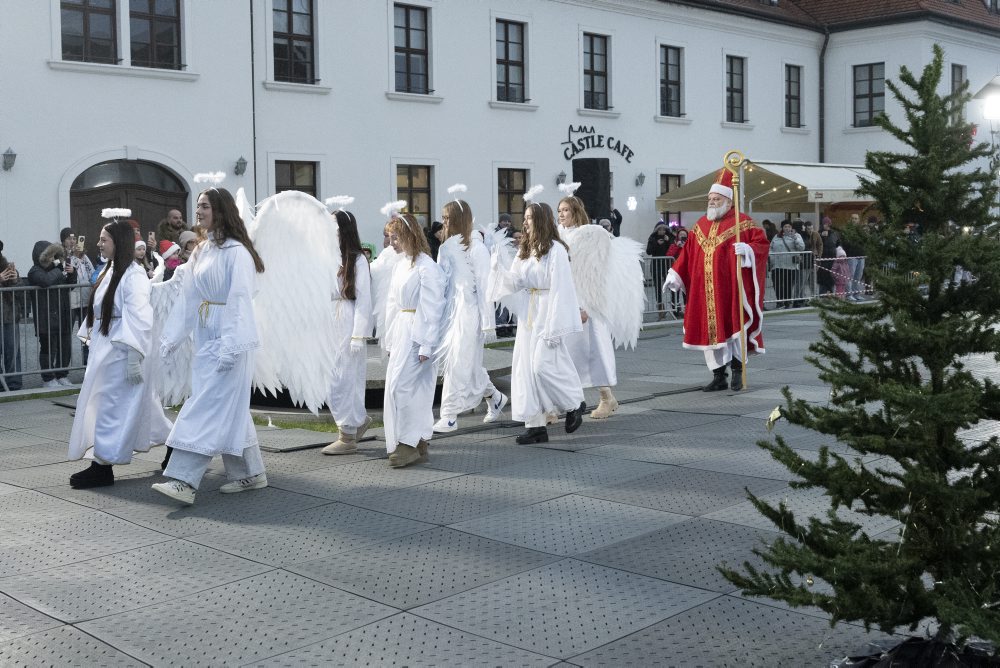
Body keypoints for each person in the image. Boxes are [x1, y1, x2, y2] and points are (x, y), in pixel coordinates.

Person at [152, 187, 267, 505]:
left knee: (204, 406)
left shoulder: (237, 252)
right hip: (207, 336)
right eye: (198, 205)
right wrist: (171, 339)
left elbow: (240, 301)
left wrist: (230, 345)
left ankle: (184, 479)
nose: (198, 211)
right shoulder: (203, 250)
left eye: (204, 206)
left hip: (231, 339)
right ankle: (250, 472)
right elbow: (188, 298)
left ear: (220, 210)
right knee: (227, 406)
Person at [66, 220, 158, 488]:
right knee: (136, 405)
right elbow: (100, 308)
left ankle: (102, 466)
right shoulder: (110, 269)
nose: (99, 243)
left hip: (121, 349)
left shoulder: (133, 275)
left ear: (119, 242)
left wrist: (134, 356)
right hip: (107, 346)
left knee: (110, 406)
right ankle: (174, 444)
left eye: (104, 239)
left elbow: (141, 318)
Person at [662, 169, 769, 392]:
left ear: (728, 200)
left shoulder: (744, 223)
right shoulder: (700, 225)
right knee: (709, 333)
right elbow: (687, 254)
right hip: (704, 290)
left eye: (717, 199)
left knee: (735, 328)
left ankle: (738, 371)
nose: (712, 202)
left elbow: (762, 246)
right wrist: (675, 274)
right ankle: (719, 375)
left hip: (731, 289)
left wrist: (748, 249)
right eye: (710, 199)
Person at [492, 201, 586, 443]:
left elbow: (562, 288)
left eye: (529, 217)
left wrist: (556, 325)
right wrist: (498, 269)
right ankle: (535, 426)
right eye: (524, 217)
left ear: (541, 220)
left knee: (541, 366)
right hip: (529, 313)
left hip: (547, 311)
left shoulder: (556, 250)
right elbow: (515, 281)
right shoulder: (526, 249)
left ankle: (574, 403)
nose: (525, 222)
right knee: (525, 369)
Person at [557, 193, 643, 420]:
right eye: (559, 211)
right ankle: (559, 404)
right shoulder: (557, 235)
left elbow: (595, 273)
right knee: (562, 354)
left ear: (575, 211)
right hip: (564, 302)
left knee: (593, 352)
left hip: (586, 302)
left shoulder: (590, 234)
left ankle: (607, 397)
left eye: (566, 210)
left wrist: (585, 306)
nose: (561, 214)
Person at [433, 198, 507, 433]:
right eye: (443, 218)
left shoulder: (477, 249)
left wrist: (488, 324)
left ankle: (449, 415)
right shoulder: (445, 248)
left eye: (448, 218)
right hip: (450, 313)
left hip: (469, 312)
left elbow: (485, 287)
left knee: (458, 362)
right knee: (468, 364)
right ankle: (494, 396)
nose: (444, 222)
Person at [380, 212, 445, 468]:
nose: (392, 243)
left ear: (409, 235)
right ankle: (416, 441)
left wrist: (427, 343)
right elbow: (392, 303)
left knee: (404, 387)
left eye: (396, 237)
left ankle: (409, 441)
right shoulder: (401, 265)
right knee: (396, 387)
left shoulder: (427, 267)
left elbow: (433, 307)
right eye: (390, 237)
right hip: (402, 331)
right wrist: (389, 338)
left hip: (418, 333)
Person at [321, 209, 374, 455]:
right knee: (329, 377)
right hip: (329, 320)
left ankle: (348, 434)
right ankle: (356, 421)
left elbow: (364, 299)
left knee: (345, 377)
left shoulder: (357, 259)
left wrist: (358, 334)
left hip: (347, 320)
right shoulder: (327, 256)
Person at [28, 239, 75, 387]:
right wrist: (59, 269)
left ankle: (62, 375)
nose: (52, 258)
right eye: (50, 255)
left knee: (65, 346)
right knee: (49, 348)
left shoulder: (57, 269)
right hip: (45, 317)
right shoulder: (34, 271)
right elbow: (46, 281)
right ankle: (48, 379)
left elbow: (70, 285)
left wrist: (72, 273)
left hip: (62, 314)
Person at [0, 240, 22, 391]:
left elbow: (20, 292)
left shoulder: (5, 265)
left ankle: (14, 384)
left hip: (9, 316)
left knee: (12, 352)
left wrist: (15, 280)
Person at [769, 220, 804, 308]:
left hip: (790, 266)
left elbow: (802, 248)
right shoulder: (776, 236)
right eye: (785, 226)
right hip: (777, 265)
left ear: (791, 228)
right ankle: (779, 302)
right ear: (782, 228)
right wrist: (772, 258)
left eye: (789, 226)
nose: (787, 228)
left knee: (788, 285)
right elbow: (770, 248)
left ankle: (787, 302)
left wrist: (795, 239)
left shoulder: (796, 236)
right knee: (777, 284)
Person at [646, 221, 673, 320]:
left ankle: (675, 306)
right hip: (656, 265)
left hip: (667, 265)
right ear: (656, 230)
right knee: (657, 286)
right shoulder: (652, 238)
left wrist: (668, 241)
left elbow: (673, 248)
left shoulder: (669, 237)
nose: (662, 231)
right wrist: (656, 244)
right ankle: (660, 308)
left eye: (664, 229)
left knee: (671, 285)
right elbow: (648, 251)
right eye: (660, 229)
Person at [842, 213, 866, 301]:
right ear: (850, 219)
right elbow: (845, 242)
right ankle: (849, 294)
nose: (854, 220)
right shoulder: (847, 230)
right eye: (853, 218)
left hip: (861, 256)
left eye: (856, 218)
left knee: (858, 276)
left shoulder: (861, 230)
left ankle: (856, 293)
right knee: (850, 276)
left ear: (858, 220)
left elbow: (865, 241)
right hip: (851, 256)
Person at [665, 227, 688, 316]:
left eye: (684, 235)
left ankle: (686, 309)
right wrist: (677, 247)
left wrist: (685, 247)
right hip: (676, 272)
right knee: (675, 291)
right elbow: (669, 255)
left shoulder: (689, 245)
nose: (682, 236)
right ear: (678, 236)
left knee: (685, 292)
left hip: (686, 272)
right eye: (681, 234)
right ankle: (676, 310)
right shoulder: (673, 245)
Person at [816, 216, 841, 296]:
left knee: (831, 277)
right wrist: (822, 237)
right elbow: (817, 244)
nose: (826, 225)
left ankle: (830, 294)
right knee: (823, 278)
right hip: (823, 259)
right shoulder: (819, 233)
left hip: (832, 259)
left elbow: (838, 244)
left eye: (828, 224)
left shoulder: (834, 233)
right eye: (825, 224)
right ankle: (822, 295)